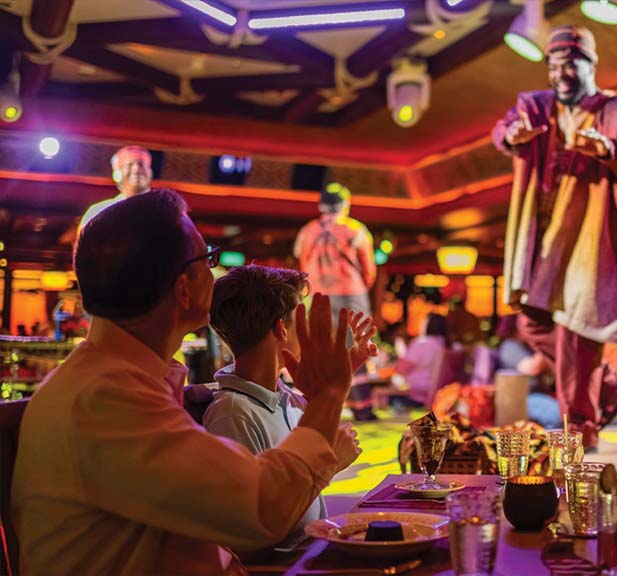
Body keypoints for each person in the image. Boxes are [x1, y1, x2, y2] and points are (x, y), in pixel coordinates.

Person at [13, 189, 358, 574]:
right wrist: (328, 396)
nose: (215, 271)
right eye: (208, 258)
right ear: (183, 289)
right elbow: (257, 511)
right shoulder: (105, 398)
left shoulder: (129, 379)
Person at [493, 25, 617, 448]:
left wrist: (605, 148)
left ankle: (579, 432)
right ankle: (609, 385)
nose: (561, 73)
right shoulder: (539, 106)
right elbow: (504, 128)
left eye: (570, 63)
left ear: (590, 64)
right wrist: (510, 137)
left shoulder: (616, 109)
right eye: (554, 65)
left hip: (592, 240)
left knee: (574, 333)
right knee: (530, 322)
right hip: (544, 240)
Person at [203, 265, 372, 549]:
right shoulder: (232, 414)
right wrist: (329, 467)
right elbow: (251, 530)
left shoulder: (283, 397)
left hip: (313, 552)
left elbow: (321, 415)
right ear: (282, 327)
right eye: (301, 319)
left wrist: (350, 364)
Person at [293, 183, 376, 328]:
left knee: (317, 339)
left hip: (316, 293)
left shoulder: (308, 230)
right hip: (350, 293)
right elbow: (368, 269)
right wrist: (360, 285)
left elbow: (303, 262)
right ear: (345, 205)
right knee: (354, 341)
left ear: (321, 206)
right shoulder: (357, 230)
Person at [79, 145, 153, 231]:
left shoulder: (164, 211)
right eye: (129, 165)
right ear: (117, 174)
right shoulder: (99, 212)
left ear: (150, 172)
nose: (136, 169)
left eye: (141, 164)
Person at [394, 313, 448, 407]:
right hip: (442, 395)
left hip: (418, 395)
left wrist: (401, 351)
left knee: (381, 392)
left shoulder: (421, 344)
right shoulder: (450, 345)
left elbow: (401, 370)